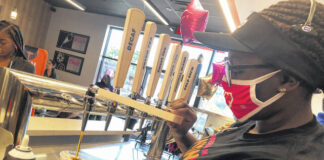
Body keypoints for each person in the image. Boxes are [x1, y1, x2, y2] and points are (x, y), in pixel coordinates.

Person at [167, 0, 324, 159]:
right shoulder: (257, 123)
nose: (224, 81)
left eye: (236, 70)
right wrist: (182, 135)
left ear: (288, 80)